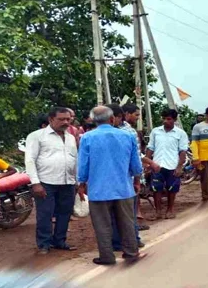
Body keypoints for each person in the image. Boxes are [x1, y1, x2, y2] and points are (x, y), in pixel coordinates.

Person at [77, 106, 146, 265]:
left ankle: (107, 256)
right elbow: (136, 164)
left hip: (98, 190)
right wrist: (136, 180)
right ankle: (131, 252)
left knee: (102, 225)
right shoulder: (127, 136)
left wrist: (81, 184)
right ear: (112, 119)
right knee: (127, 222)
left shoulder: (87, 138)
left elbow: (83, 165)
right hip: (123, 188)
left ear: (94, 121)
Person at [25, 107, 78, 255]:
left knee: (65, 213)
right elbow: (30, 160)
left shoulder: (71, 137)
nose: (65, 122)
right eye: (61, 119)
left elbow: (75, 159)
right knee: (45, 214)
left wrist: (77, 181)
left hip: (67, 182)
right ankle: (44, 244)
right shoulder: (37, 136)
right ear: (51, 120)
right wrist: (35, 183)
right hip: (45, 182)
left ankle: (60, 241)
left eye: (68, 119)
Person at [110, 103, 148, 249]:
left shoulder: (128, 132)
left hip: (128, 178)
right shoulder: (104, 132)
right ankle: (118, 242)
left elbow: (135, 157)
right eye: (136, 114)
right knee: (114, 213)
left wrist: (137, 178)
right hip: (114, 178)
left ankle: (133, 240)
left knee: (128, 212)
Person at [146, 109, 189, 219]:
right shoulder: (155, 131)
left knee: (172, 188)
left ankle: (170, 210)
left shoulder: (181, 134)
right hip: (157, 164)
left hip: (172, 165)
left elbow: (182, 151)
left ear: (174, 120)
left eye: (168, 119)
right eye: (163, 118)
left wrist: (179, 167)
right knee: (156, 189)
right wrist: (147, 163)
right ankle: (158, 212)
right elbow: (150, 147)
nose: (165, 121)